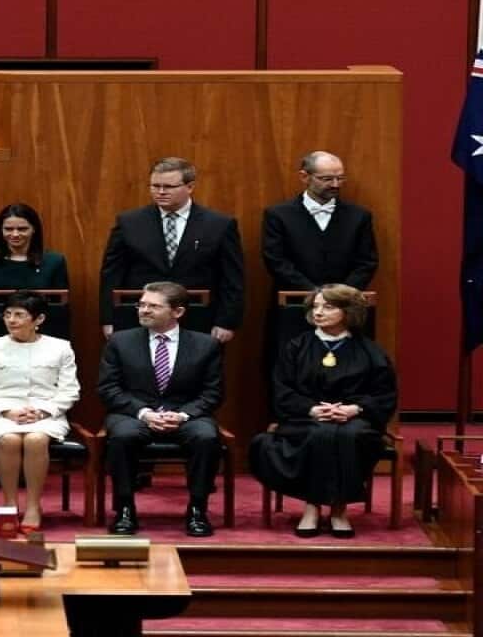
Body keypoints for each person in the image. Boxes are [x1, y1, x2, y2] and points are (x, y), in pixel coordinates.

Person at [249, 285, 396, 538]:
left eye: (328, 307)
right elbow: (282, 390)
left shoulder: (370, 351)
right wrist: (313, 409)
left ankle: (339, 510)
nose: (318, 312)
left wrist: (354, 409)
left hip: (356, 420)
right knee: (319, 435)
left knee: (348, 435)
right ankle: (313, 507)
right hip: (304, 418)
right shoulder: (295, 347)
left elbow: (384, 394)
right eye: (315, 306)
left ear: (348, 311)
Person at [98, 281, 224, 537]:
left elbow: (213, 392)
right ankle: (124, 509)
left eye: (153, 306)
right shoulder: (120, 342)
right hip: (134, 413)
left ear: (177, 312)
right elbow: (108, 388)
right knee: (122, 436)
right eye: (141, 305)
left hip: (186, 414)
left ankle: (197, 509)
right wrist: (145, 413)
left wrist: (183, 415)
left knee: (206, 437)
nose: (143, 310)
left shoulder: (205, 345)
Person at [98, 157, 245, 343]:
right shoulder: (129, 223)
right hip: (140, 318)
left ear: (190, 187)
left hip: (198, 318)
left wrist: (227, 321)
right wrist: (109, 319)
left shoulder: (219, 225)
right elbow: (111, 274)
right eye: (155, 186)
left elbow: (232, 278)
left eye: (168, 187)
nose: (160, 192)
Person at [0, 290, 79, 532]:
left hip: (47, 414)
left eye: (19, 315)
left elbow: (69, 391)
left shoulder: (61, 348)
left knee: (36, 439)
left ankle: (32, 506)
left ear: (38, 320)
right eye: (7, 314)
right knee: (8, 440)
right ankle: (9, 504)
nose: (11, 320)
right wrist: (7, 411)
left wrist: (42, 412)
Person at [0, 203, 70, 366]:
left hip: (38, 342)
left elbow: (61, 310)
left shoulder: (54, 262)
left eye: (22, 229)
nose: (15, 234)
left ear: (34, 229)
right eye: (8, 229)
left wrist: (62, 346)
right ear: (0, 231)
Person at [261, 151, 378, 291]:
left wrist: (339, 294)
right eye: (327, 179)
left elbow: (367, 262)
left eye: (340, 178)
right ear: (304, 177)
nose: (335, 185)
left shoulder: (359, 216)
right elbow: (276, 261)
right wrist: (314, 292)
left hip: (345, 304)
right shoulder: (278, 215)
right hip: (294, 302)